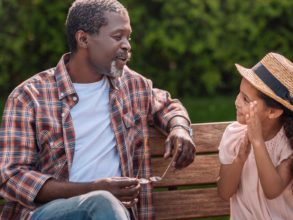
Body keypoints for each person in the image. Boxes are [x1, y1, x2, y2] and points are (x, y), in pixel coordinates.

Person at [0, 0, 195, 219]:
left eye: (128, 37)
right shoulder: (29, 97)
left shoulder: (132, 86)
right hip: (48, 213)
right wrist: (93, 190)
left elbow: (167, 105)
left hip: (115, 214)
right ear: (83, 39)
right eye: (117, 36)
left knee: (105, 205)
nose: (127, 46)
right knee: (102, 202)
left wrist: (179, 128)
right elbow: (12, 177)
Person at [217, 52, 293, 219]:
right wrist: (239, 160)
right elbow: (224, 192)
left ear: (272, 112)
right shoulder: (234, 135)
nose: (237, 102)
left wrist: (257, 142)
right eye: (239, 93)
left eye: (245, 99)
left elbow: (272, 190)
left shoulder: (289, 144)